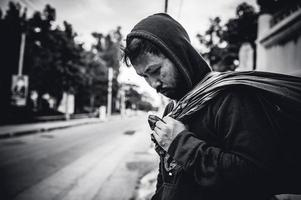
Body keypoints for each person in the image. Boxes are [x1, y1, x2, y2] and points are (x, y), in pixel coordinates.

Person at [123, 13, 301, 200]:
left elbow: (257, 177)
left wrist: (182, 145)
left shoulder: (231, 98)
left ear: (178, 54)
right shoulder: (173, 110)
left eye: (155, 71)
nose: (154, 84)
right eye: (145, 76)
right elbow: (167, 178)